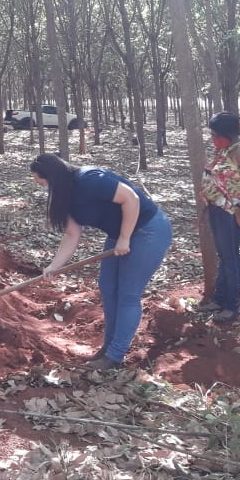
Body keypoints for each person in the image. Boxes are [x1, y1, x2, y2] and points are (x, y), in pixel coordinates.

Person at [30, 153, 172, 370]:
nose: (40, 185)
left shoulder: (90, 179)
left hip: (147, 230)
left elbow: (130, 198)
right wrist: (54, 266)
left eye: (40, 180)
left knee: (128, 293)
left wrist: (125, 238)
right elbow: (71, 234)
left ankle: (115, 356)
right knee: (108, 287)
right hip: (119, 234)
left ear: (52, 176)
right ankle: (108, 347)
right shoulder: (63, 193)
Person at [198, 112, 240, 324]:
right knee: (224, 256)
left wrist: (237, 197)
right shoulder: (223, 149)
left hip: (229, 213)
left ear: (227, 133)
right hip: (216, 211)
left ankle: (231, 306)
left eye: (215, 134)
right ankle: (219, 298)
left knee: (230, 258)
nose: (212, 137)